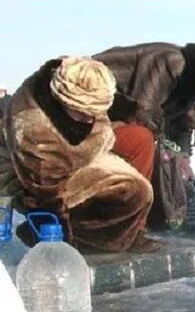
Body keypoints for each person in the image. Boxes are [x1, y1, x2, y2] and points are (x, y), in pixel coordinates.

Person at [0, 57, 156, 253]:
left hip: (79, 155)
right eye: (82, 113)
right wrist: (58, 241)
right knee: (131, 190)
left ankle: (119, 234)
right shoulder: (36, 130)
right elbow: (44, 195)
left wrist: (134, 112)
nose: (90, 119)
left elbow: (111, 101)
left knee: (140, 185)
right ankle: (84, 239)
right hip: (25, 177)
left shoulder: (75, 74)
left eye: (96, 112)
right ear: (62, 101)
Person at [93, 42, 195, 152]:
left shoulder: (192, 86)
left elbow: (185, 122)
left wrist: (183, 155)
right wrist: (164, 144)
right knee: (142, 142)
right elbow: (143, 109)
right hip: (93, 97)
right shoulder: (170, 62)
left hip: (119, 111)